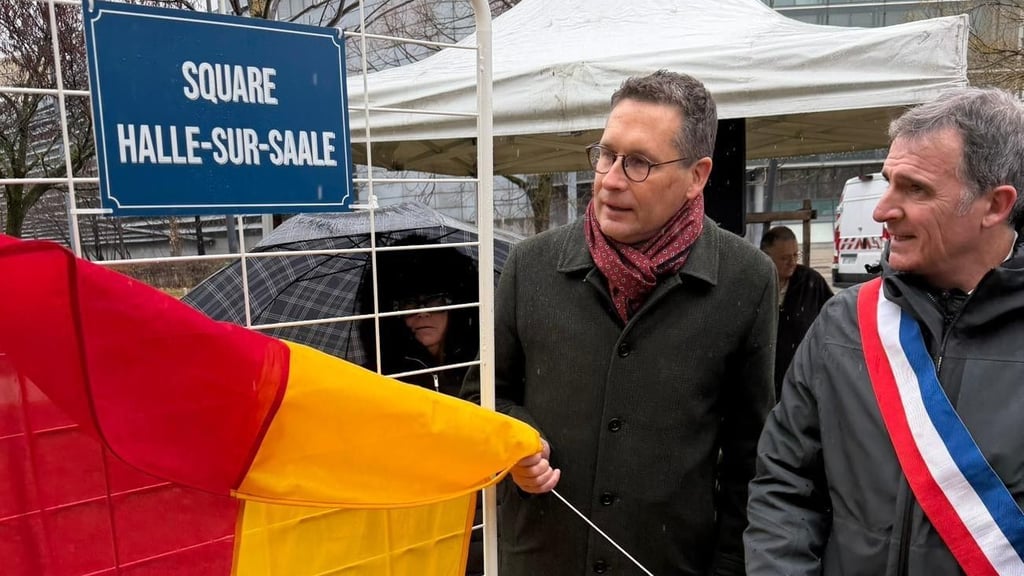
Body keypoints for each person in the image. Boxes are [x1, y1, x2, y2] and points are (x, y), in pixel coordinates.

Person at [462, 70, 777, 576]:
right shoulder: (532, 265)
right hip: (543, 558)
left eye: (639, 164)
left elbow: (751, 454)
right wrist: (518, 443)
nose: (609, 179)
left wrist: (729, 568)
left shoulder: (746, 280)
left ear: (696, 176)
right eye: (606, 154)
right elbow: (483, 400)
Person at [745, 86, 1024, 575]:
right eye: (888, 181)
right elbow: (784, 485)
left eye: (914, 189)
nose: (881, 210)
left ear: (996, 205)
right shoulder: (843, 324)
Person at [358, 235, 479, 397]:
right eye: (410, 303)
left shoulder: (479, 366)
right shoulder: (374, 376)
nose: (423, 313)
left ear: (455, 306)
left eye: (435, 301)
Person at [760, 226, 832, 397]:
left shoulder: (811, 282)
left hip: (804, 379)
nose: (792, 262)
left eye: (795, 255)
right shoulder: (753, 283)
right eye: (785, 258)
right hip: (764, 381)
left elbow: (834, 319)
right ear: (766, 258)